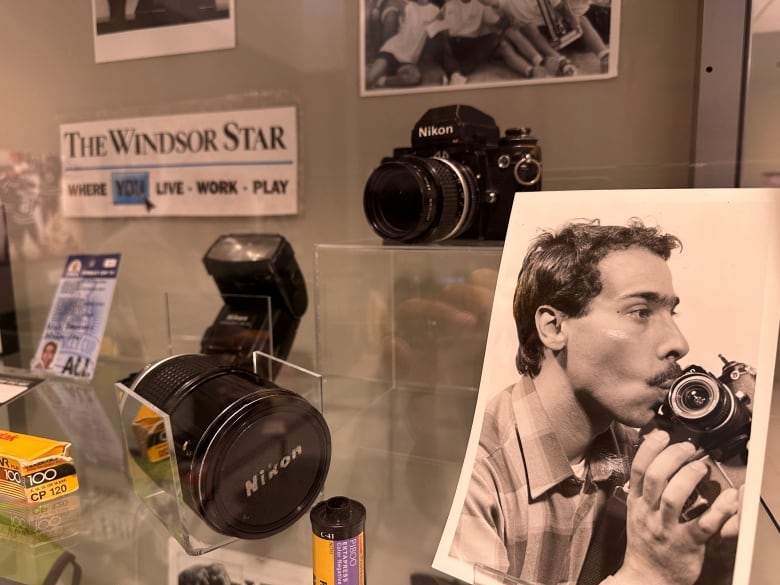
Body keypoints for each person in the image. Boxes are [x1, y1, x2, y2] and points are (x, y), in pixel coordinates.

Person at [450, 219, 742, 585]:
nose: (679, 343)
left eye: (672, 313)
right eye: (640, 312)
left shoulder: (643, 453)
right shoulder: (472, 474)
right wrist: (646, 573)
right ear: (554, 328)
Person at [366, 0, 441, 89]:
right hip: (391, 50)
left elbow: (437, 33)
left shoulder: (435, 11)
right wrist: (376, 8)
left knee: (414, 78)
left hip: (408, 59)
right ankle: (375, 71)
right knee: (369, 79)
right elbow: (387, 8)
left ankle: (382, 81)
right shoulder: (406, 5)